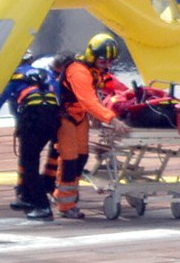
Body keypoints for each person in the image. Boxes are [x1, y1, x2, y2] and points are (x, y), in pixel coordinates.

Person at [53, 33, 130, 219]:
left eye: (110, 62)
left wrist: (136, 94)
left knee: (81, 157)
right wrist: (111, 119)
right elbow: (88, 100)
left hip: (79, 117)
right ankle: (64, 205)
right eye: (104, 61)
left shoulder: (96, 71)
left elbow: (113, 85)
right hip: (65, 117)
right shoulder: (78, 71)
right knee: (70, 159)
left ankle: (69, 198)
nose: (107, 65)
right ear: (93, 55)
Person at [11, 67, 61, 220]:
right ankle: (27, 196)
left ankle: (42, 206)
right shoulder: (49, 85)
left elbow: (6, 103)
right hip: (52, 123)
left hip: (34, 123)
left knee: (29, 164)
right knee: (31, 160)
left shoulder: (16, 82)